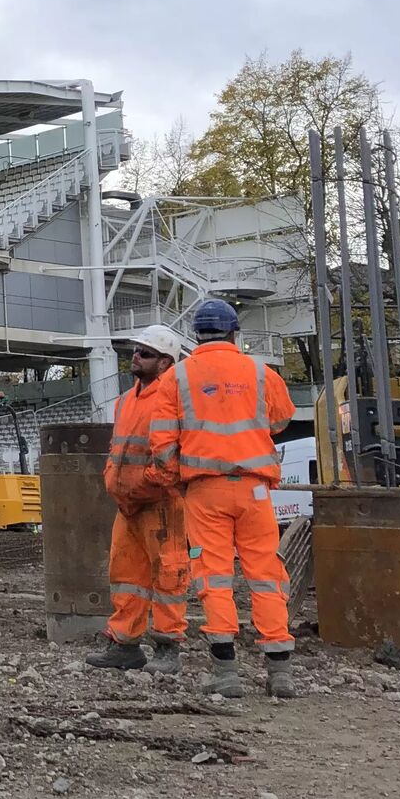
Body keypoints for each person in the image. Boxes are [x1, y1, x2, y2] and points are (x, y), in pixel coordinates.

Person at [156, 298, 297, 699]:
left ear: (196, 334)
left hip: (204, 490)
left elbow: (162, 444)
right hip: (254, 488)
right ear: (235, 333)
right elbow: (281, 419)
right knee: (266, 575)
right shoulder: (260, 372)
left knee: (213, 576)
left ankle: (226, 671)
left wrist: (176, 480)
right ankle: (280, 673)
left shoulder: (177, 378)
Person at [87, 325, 190, 676]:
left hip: (161, 502)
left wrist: (143, 486)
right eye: (135, 350)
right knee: (125, 574)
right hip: (129, 504)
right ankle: (124, 644)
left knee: (169, 575)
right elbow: (119, 451)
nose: (136, 356)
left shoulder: (171, 398)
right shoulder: (127, 400)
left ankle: (168, 646)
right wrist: (116, 485)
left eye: (145, 353)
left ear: (164, 363)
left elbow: (171, 459)